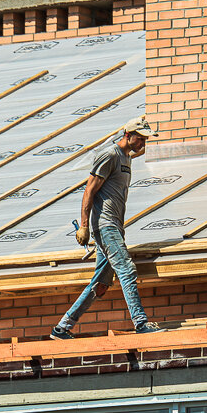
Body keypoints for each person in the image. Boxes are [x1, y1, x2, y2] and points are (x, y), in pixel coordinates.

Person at [51, 115, 165, 339]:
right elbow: (89, 191)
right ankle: (140, 322)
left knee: (101, 283)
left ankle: (62, 327)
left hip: (115, 227)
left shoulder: (125, 157)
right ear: (127, 135)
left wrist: (135, 149)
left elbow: (130, 153)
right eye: (140, 138)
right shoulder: (110, 155)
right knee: (126, 269)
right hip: (105, 226)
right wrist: (84, 225)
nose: (144, 143)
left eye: (146, 139)